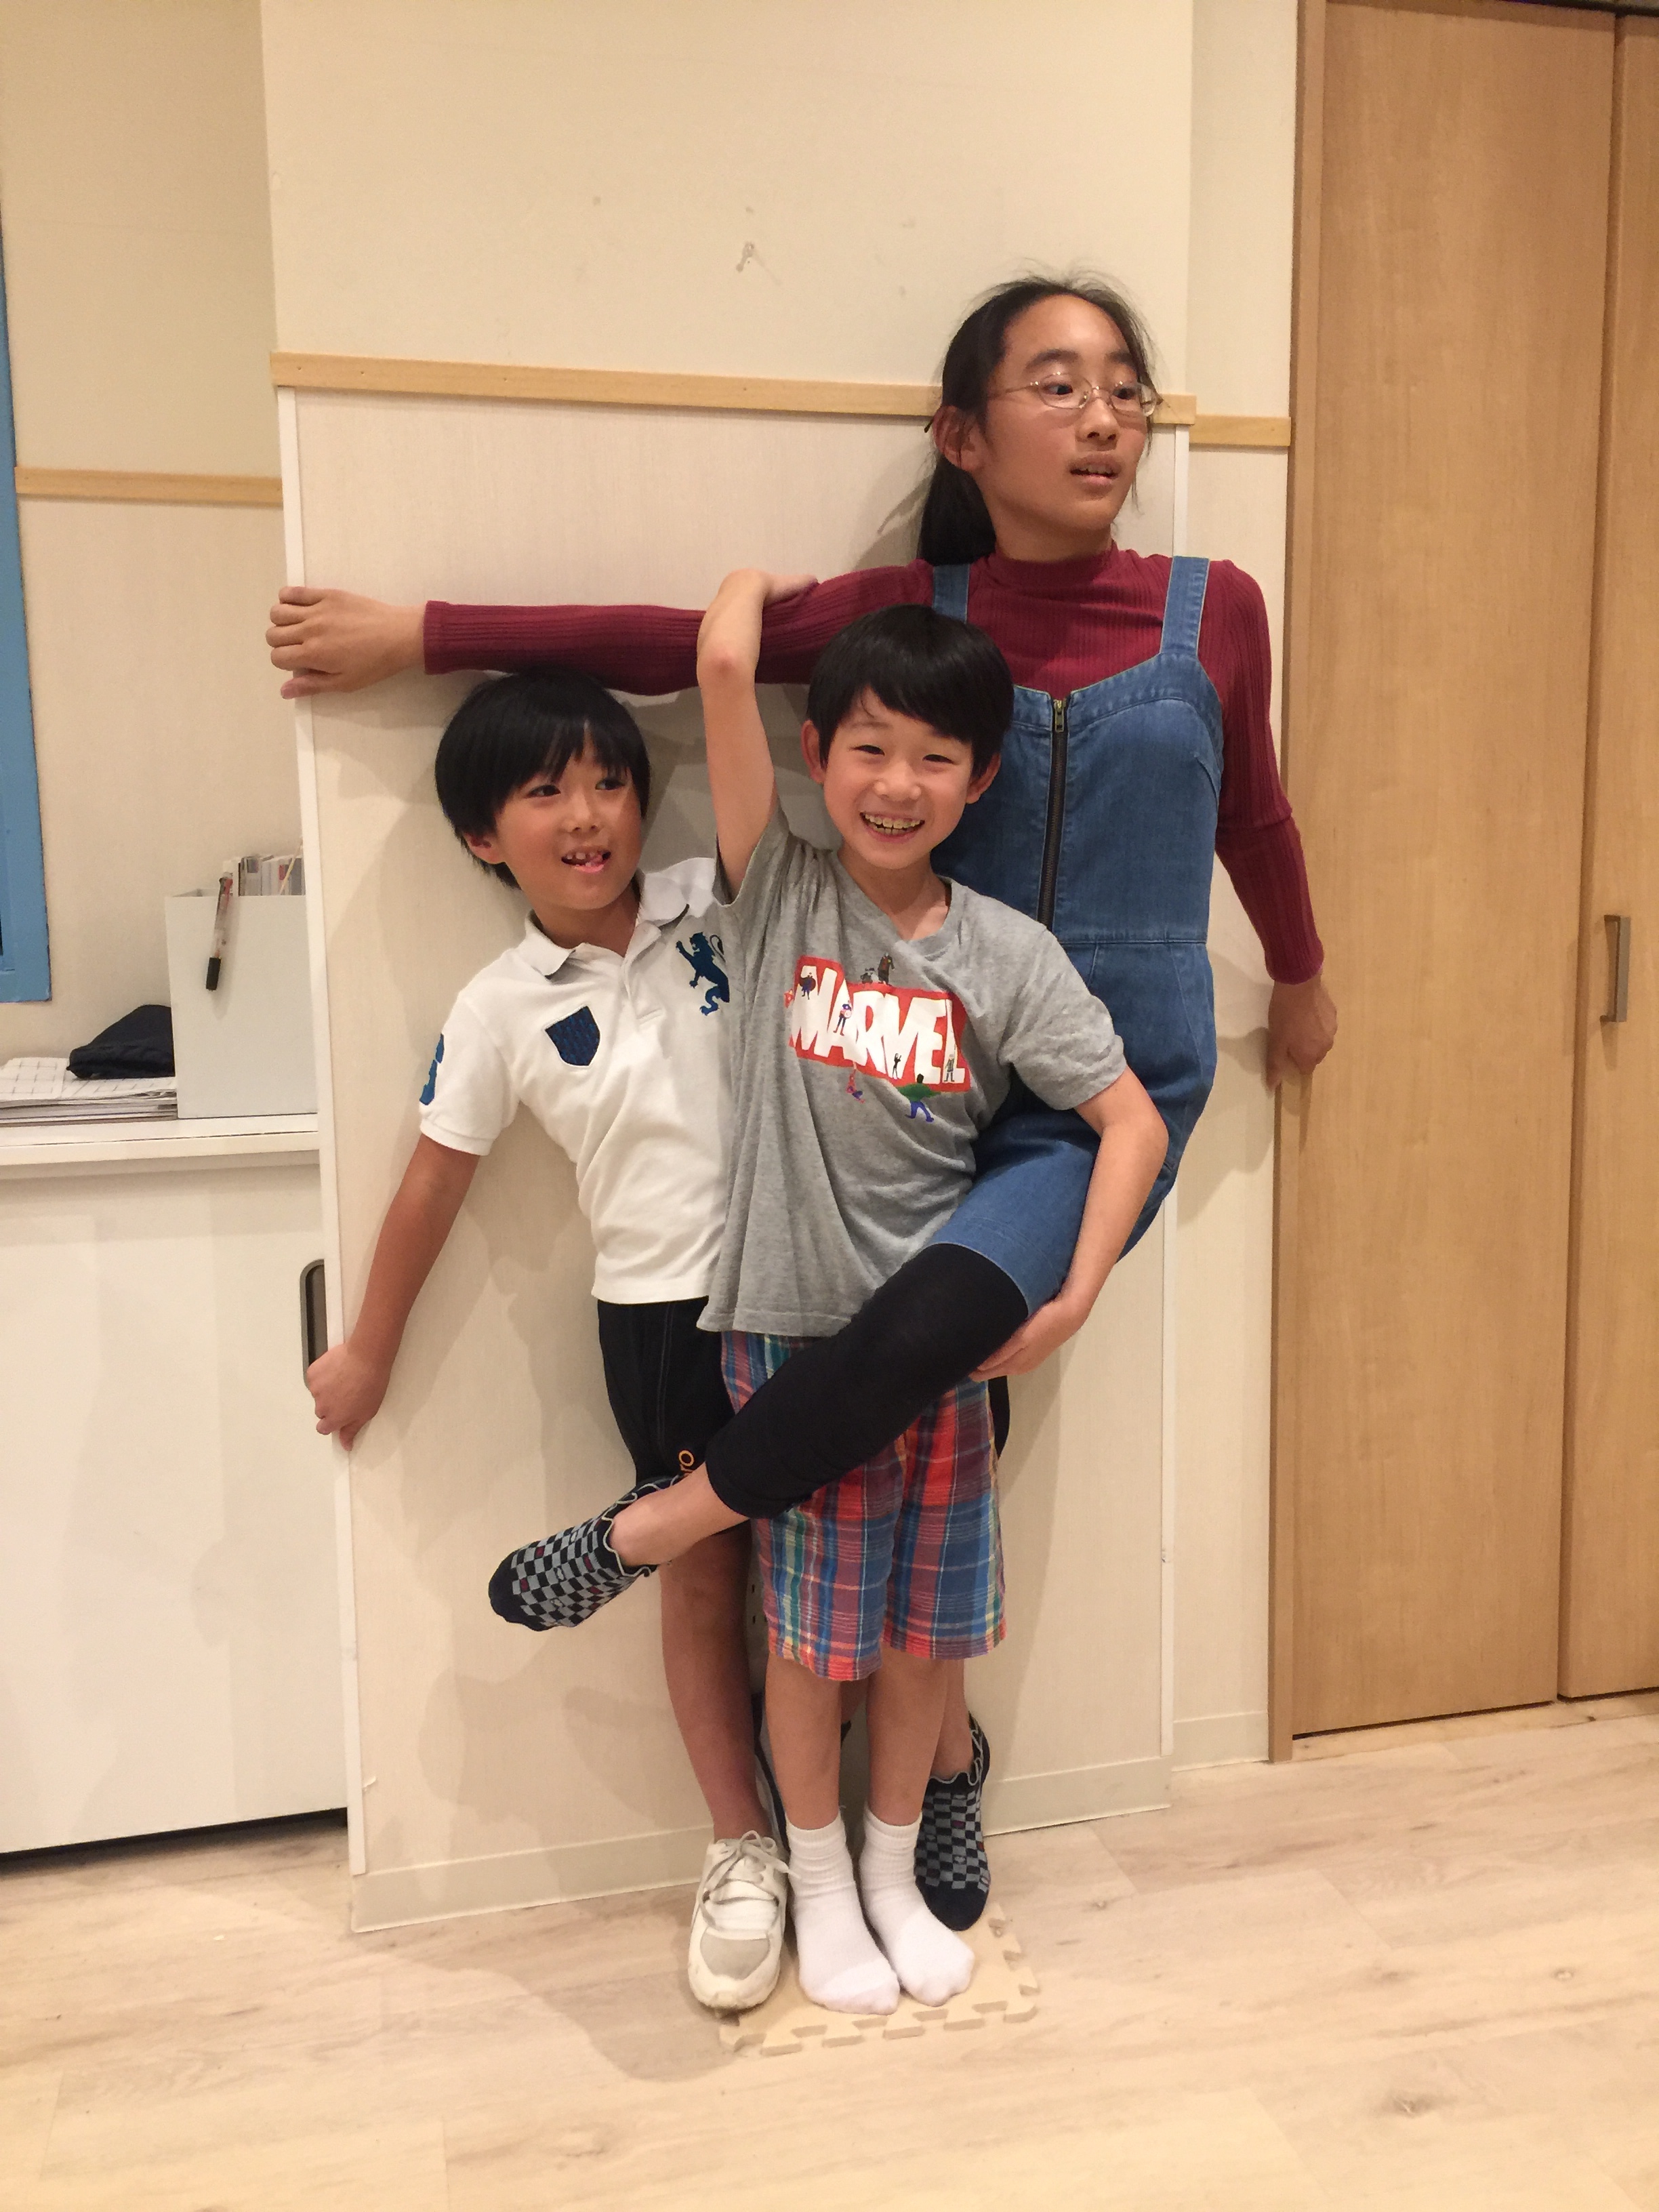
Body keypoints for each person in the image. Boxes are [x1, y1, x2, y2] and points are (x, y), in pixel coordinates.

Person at [267, 272, 1338, 1929]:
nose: (1105, 420)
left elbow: (1252, 807)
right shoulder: (917, 607)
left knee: (936, 1334)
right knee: (917, 1393)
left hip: (1105, 1069)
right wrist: (423, 637)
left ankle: (666, 1530)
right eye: (1058, 386)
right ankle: (934, 1772)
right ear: (963, 434)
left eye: (1127, 389)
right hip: (925, 1069)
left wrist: (1304, 971)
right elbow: (676, 647)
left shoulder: (1217, 606)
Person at [534, 569, 1158, 2015]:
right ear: (818, 754)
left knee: (926, 1637)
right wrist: (759, 589)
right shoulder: (782, 890)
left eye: (936, 757)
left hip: (940, 1362)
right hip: (785, 1346)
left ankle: (891, 1875)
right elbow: (725, 665)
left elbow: (1129, 1121)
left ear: (981, 780)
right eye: (869, 747)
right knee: (813, 1646)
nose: (897, 784)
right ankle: (817, 1884)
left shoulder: (1007, 954)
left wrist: (1071, 1298)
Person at [302, 668, 787, 2016]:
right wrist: (367, 1351)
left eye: (611, 781)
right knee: (706, 1578)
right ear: (482, 836)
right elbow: (430, 1185)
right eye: (545, 791)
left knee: (834, 1565)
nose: (587, 815)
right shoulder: (497, 1006)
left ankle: (865, 1796)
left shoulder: (719, 896)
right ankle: (740, 1847)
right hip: (659, 1318)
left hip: (810, 1293)